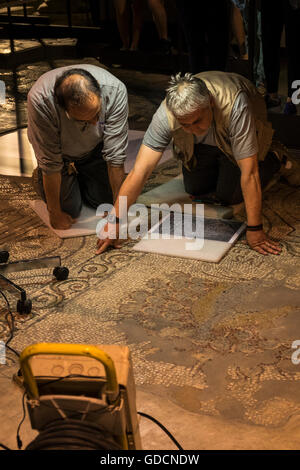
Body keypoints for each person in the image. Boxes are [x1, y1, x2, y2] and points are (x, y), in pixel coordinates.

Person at [96, 71, 299, 256]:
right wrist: (114, 221)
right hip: (203, 145)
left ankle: (276, 158)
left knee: (230, 195)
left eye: (197, 121)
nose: (192, 127)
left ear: (210, 102)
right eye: (185, 124)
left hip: (238, 127)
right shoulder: (165, 114)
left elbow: (250, 172)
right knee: (195, 188)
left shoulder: (235, 105)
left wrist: (255, 229)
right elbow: (140, 171)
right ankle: (218, 158)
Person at [28, 64, 128, 230]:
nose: (96, 122)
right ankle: (42, 177)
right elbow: (51, 162)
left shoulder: (115, 90)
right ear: (65, 110)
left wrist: (118, 214)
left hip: (95, 149)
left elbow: (115, 157)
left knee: (110, 201)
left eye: (97, 113)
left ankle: (83, 176)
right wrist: (54, 212)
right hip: (60, 154)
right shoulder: (41, 101)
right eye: (85, 120)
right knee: (69, 209)